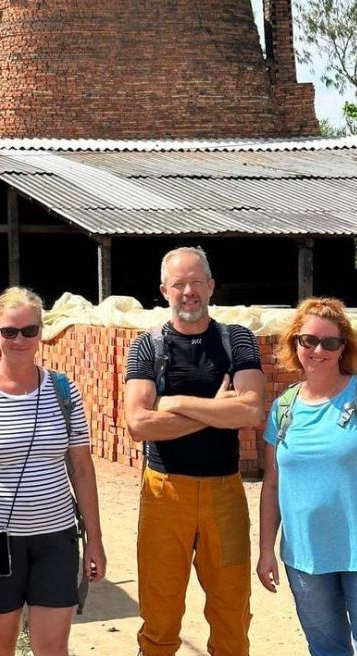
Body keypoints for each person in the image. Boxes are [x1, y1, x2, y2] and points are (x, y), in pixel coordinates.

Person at [0, 286, 106, 656]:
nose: (19, 340)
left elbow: (82, 468)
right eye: (10, 331)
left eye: (29, 331)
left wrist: (94, 539)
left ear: (41, 332)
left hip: (56, 538)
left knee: (52, 648)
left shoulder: (64, 392)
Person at [124, 246, 265, 656]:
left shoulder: (236, 339)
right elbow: (138, 424)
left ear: (211, 287)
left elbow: (252, 409)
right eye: (180, 284)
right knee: (160, 613)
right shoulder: (147, 346)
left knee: (232, 613)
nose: (189, 292)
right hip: (165, 493)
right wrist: (220, 410)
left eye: (196, 283)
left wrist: (176, 403)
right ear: (164, 290)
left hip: (226, 494)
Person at [256, 297, 357, 656]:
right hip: (306, 560)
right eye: (308, 340)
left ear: (344, 349)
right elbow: (272, 486)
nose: (318, 350)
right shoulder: (283, 409)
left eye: (330, 342)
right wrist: (266, 550)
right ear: (295, 343)